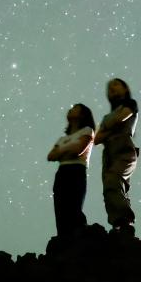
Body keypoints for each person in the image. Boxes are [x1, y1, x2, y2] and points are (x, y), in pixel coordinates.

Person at [94, 78, 139, 236]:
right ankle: (118, 224)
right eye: (109, 87)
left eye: (116, 84)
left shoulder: (130, 104)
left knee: (114, 180)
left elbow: (122, 117)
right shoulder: (108, 116)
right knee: (110, 187)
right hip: (109, 154)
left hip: (123, 149)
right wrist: (111, 124)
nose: (112, 88)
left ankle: (124, 220)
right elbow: (97, 139)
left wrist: (107, 125)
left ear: (125, 89)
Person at [46, 103, 95, 240]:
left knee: (73, 207)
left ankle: (79, 240)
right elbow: (51, 156)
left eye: (75, 108)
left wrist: (61, 151)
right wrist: (69, 149)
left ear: (82, 114)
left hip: (76, 171)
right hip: (62, 173)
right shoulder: (62, 139)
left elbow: (78, 150)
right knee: (60, 209)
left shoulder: (87, 130)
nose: (70, 109)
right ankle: (63, 241)